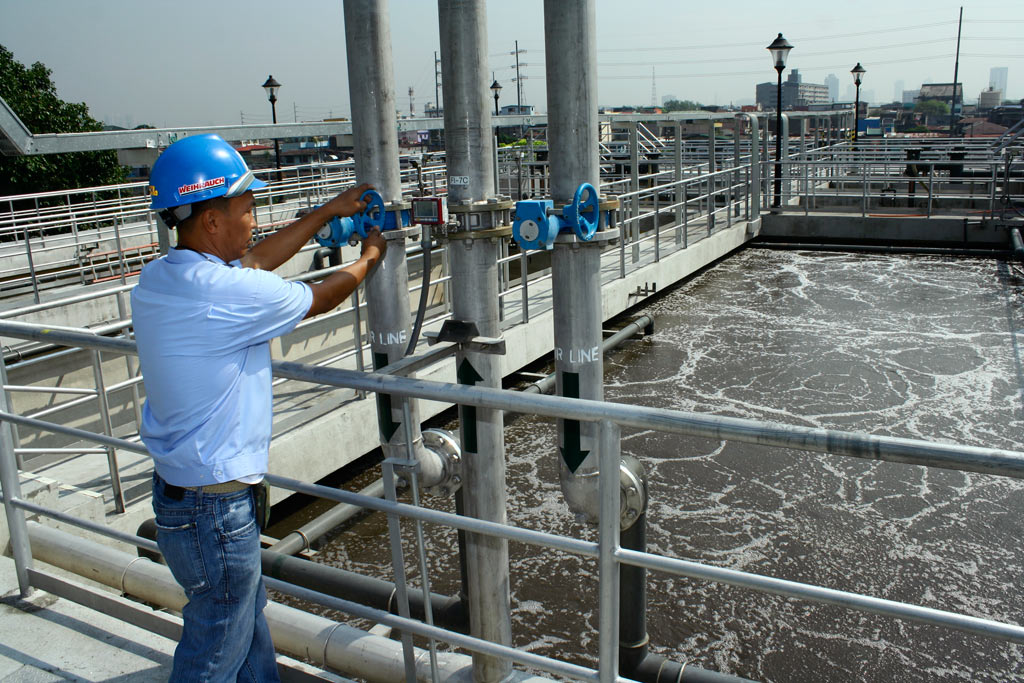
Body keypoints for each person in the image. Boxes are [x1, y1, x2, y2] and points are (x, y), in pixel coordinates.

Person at [131, 133, 386, 681]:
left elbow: (253, 261)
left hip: (187, 497)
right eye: (246, 209)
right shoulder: (221, 293)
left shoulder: (163, 277)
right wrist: (369, 257)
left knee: (246, 626)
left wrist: (328, 211)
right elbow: (318, 297)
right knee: (214, 648)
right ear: (212, 221)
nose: (253, 220)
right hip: (214, 510)